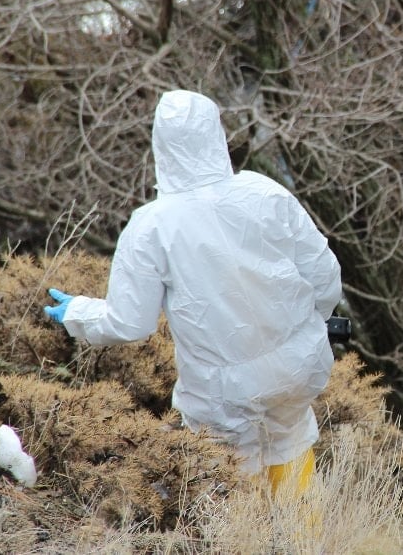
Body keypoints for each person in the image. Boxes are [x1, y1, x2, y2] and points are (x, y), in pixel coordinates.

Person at [44, 89, 342, 499]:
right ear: (217, 135)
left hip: (223, 394)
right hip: (298, 368)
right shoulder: (265, 192)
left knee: (234, 489)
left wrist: (79, 312)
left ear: (160, 145)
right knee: (290, 447)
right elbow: (325, 276)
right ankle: (307, 541)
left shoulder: (152, 226)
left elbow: (130, 323)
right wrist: (306, 333)